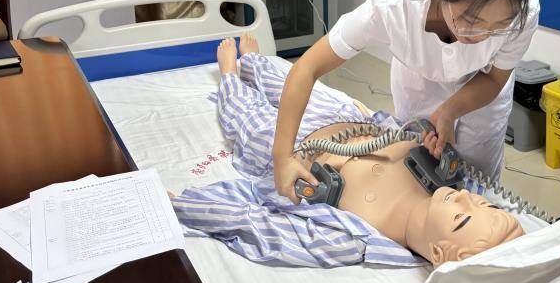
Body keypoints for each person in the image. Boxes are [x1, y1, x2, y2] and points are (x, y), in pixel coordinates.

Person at [169, 36, 524, 267]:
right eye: (483, 204)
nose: (465, 198)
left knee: (246, 115)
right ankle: (254, 62)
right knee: (287, 79)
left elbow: (260, 226)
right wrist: (427, 140)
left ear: (438, 254)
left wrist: (181, 205)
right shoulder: (450, 182)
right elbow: (410, 134)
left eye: (462, 218)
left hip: (296, 152)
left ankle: (230, 75)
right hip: (345, 118)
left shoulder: (358, 239)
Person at [272, 0, 539, 204]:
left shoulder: (523, 11)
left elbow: (495, 78)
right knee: (415, 174)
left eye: (498, 27)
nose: (481, 36)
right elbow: (307, 67)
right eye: (471, 21)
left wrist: (450, 111)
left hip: (481, 94)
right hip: (419, 81)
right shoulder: (395, 5)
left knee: (477, 187)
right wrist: (282, 158)